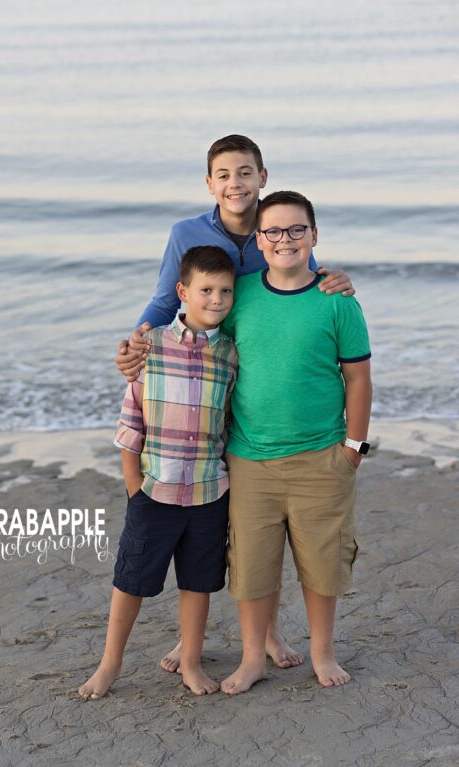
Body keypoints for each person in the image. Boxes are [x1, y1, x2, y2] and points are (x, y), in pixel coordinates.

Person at [114, 135, 356, 672]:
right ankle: (190, 641)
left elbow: (299, 279)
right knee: (233, 526)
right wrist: (137, 343)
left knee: (247, 522)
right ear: (209, 184)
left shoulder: (276, 226)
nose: (235, 184)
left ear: (262, 177)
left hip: (254, 383)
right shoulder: (187, 234)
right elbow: (165, 295)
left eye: (245, 173)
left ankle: (267, 635)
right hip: (209, 376)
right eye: (224, 175)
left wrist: (336, 279)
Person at [219, 191, 371, 694]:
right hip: (250, 459)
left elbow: (358, 379)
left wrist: (354, 447)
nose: (285, 239)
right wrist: (137, 348)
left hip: (322, 455)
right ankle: (251, 658)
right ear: (258, 240)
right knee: (252, 565)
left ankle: (322, 652)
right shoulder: (239, 296)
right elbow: (192, 328)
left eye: (296, 230)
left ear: (314, 235)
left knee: (322, 562)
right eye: (274, 232)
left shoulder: (338, 302)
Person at [78, 246, 238, 700]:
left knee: (198, 581)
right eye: (206, 290)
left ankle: (190, 660)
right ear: (183, 292)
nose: (217, 299)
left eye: (225, 290)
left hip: (210, 492)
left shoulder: (230, 356)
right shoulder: (153, 347)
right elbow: (132, 425)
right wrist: (135, 489)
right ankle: (110, 665)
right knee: (132, 580)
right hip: (155, 490)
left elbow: (228, 421)